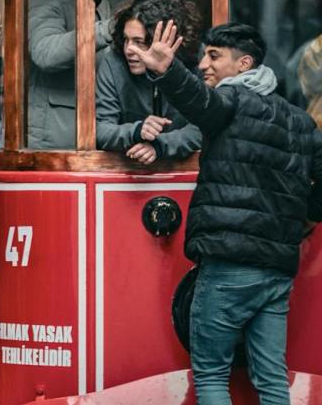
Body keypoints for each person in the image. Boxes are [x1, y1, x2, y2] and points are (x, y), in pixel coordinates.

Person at [128, 21, 322, 405]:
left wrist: (166, 70)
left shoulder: (231, 103)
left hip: (228, 263)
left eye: (214, 56)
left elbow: (199, 102)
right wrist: (300, 224)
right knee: (270, 378)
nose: (204, 64)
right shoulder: (301, 122)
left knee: (212, 374)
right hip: (277, 270)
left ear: (244, 64)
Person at [28, 0, 129, 149]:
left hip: (108, 134)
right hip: (56, 142)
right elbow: (45, 52)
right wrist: (108, 29)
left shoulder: (119, 0)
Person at [96, 0, 202, 163]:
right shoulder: (114, 62)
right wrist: (136, 131)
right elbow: (100, 129)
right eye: (126, 40)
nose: (129, 49)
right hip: (128, 171)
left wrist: (161, 145)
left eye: (139, 41)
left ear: (165, 40)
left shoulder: (198, 60)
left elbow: (205, 125)